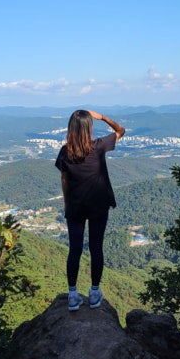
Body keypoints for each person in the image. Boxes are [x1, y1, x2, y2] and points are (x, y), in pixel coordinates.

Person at [55, 109, 125, 311]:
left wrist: (67, 202)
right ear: (89, 128)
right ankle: (94, 293)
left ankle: (72, 295)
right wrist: (103, 117)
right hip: (99, 204)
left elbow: (65, 179)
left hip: (76, 205)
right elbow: (121, 130)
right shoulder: (99, 147)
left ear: (71, 129)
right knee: (96, 248)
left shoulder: (65, 152)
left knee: (74, 250)